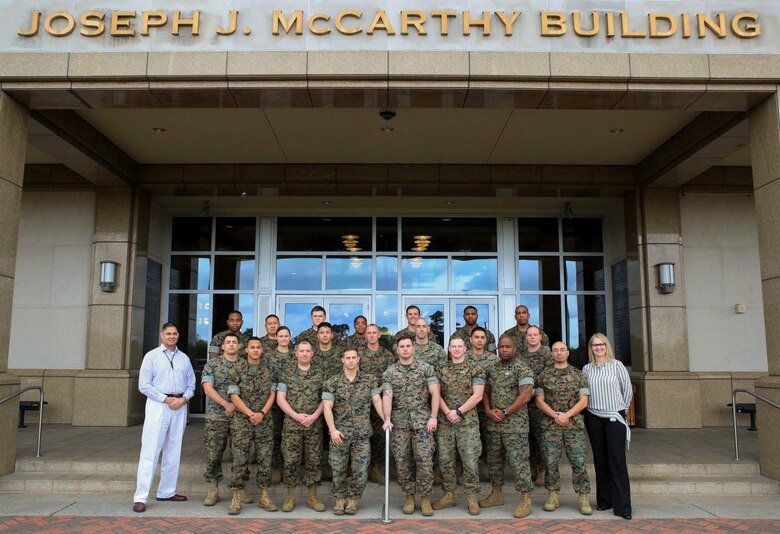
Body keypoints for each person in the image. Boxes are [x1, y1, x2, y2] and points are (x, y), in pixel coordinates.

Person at [132, 323, 195, 513]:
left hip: (179, 406)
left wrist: (183, 399)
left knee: (173, 450)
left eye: (175, 333)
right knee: (151, 450)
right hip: (159, 405)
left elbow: (191, 384)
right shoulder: (151, 356)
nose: (171, 336)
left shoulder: (184, 358)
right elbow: (144, 385)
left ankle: (167, 491)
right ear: (161, 335)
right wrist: (165, 399)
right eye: (168, 333)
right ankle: (141, 496)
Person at [382, 334, 440, 516]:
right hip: (399, 424)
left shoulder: (426, 369)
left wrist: (433, 417)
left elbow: (435, 393)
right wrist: (387, 418)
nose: (405, 349)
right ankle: (408, 496)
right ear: (397, 350)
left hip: (423, 422)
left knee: (424, 461)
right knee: (402, 461)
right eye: (402, 346)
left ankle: (424, 498)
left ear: (413, 347)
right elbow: (387, 396)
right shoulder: (389, 372)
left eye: (408, 346)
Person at [322, 348, 385, 515]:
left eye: (353, 357)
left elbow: (377, 401)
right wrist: (332, 429)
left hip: (362, 434)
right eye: (347, 357)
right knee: (337, 469)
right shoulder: (332, 382)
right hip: (339, 434)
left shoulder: (369, 380)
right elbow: (327, 407)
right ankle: (340, 499)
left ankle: (353, 500)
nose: (350, 360)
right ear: (342, 360)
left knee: (361, 470)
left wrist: (386, 419)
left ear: (358, 359)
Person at [479, 334, 535, 518]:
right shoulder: (492, 368)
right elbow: (486, 391)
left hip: (515, 426)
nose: (503, 349)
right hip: (494, 425)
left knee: (519, 463)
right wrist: (487, 410)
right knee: (494, 462)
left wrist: (505, 412)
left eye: (507, 347)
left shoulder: (522, 369)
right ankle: (496, 494)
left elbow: (525, 396)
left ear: (514, 349)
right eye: (501, 347)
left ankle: (526, 499)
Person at [535, 341, 592, 515]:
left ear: (568, 353)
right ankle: (553, 496)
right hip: (550, 427)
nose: (559, 353)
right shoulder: (543, 375)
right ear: (551, 354)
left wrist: (566, 415)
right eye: (555, 350)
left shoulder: (578, 374)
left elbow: (584, 401)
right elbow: (539, 401)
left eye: (562, 350)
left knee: (579, 463)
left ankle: (583, 498)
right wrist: (555, 415)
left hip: (573, 427)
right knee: (550, 463)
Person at [582, 333, 633, 520]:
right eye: (595, 345)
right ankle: (604, 501)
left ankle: (623, 507)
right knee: (600, 460)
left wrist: (621, 410)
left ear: (607, 346)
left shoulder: (617, 365)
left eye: (601, 344)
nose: (598, 347)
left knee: (617, 461)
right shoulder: (587, 369)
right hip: (594, 416)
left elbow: (627, 391)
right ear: (591, 348)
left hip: (614, 417)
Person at [432, 337, 485, 515]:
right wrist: (448, 412)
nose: (456, 349)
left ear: (465, 348)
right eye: (453, 346)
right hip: (446, 422)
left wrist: (459, 412)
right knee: (445, 460)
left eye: (459, 346)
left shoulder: (475, 368)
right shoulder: (440, 369)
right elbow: (435, 394)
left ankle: (471, 497)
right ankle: (449, 495)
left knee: (470, 461)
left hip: (467, 423)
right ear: (448, 349)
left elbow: (478, 395)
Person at [227, 337, 279, 515]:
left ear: (262, 350)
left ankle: (264, 496)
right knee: (240, 460)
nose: (256, 350)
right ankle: (236, 497)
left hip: (264, 421)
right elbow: (234, 396)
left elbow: (273, 394)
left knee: (265, 461)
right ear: (246, 350)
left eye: (258, 347)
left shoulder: (269, 369)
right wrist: (250, 414)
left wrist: (261, 413)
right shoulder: (237, 369)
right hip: (243, 422)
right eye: (252, 347)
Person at [276, 340, 327, 512]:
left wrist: (314, 416)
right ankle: (291, 496)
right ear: (295, 353)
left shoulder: (321, 373)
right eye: (301, 351)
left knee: (313, 461)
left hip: (314, 424)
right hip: (292, 425)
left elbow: (325, 399)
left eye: (308, 351)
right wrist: (296, 416)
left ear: (313, 354)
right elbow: (280, 398)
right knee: (291, 461)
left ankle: (313, 497)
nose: (304, 354)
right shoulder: (286, 373)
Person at [202, 332, 247, 506]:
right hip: (216, 416)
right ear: (222, 346)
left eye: (234, 342)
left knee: (240, 455)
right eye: (228, 342)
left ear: (239, 346)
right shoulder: (212, 364)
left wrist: (235, 406)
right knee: (214, 454)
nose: (231, 345)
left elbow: (250, 390)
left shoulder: (245, 365)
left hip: (240, 417)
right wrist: (225, 404)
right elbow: (208, 388)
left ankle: (239, 489)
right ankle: (213, 490)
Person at [358, 323, 396, 484]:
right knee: (361, 436)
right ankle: (360, 470)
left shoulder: (387, 356)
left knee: (380, 437)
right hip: (361, 403)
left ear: (379, 335)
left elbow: (389, 379)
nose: (372, 335)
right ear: (365, 335)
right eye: (369, 333)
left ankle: (377, 469)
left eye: (374, 332)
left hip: (380, 402)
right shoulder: (358, 355)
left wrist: (378, 392)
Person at [522, 325, 554, 483]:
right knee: (528, 439)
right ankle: (532, 467)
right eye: (530, 335)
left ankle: (543, 470)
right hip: (524, 405)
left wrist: (534, 390)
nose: (532, 337)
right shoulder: (521, 356)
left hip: (541, 404)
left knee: (542, 439)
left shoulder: (547, 354)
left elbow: (549, 376)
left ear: (540, 337)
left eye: (535, 335)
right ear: (526, 337)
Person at [264, 325, 293, 484]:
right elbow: (266, 378)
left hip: (292, 403)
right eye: (280, 336)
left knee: (290, 438)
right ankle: (276, 468)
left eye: (286, 336)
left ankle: (290, 469)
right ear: (276, 338)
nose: (283, 338)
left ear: (290, 337)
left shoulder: (295, 355)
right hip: (273, 403)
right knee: (275, 435)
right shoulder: (268, 356)